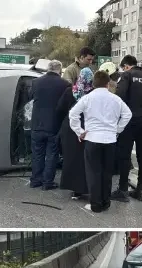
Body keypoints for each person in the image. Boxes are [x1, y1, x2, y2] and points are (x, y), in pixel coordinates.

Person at [69, 71, 133, 213]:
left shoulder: (87, 98)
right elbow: (128, 114)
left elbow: (73, 114)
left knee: (94, 173)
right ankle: (105, 202)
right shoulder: (115, 99)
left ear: (93, 84)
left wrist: (79, 131)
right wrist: (118, 129)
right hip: (110, 139)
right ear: (108, 83)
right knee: (107, 173)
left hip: (92, 139)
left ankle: (96, 204)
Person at [113, 55, 142, 202]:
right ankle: (141, 190)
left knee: (124, 155)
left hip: (128, 121)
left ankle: (123, 190)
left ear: (126, 66)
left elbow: (118, 98)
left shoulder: (127, 75)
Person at [30, 59, 70, 190]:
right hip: (54, 125)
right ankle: (47, 182)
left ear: (48, 68)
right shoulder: (65, 84)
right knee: (52, 154)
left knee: (37, 154)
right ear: (60, 70)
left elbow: (31, 97)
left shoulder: (35, 82)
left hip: (37, 124)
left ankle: (35, 180)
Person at [57, 67, 94, 200]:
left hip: (70, 128)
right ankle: (88, 186)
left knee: (71, 158)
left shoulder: (70, 91)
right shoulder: (93, 93)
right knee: (87, 159)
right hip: (88, 128)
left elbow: (60, 108)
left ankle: (75, 189)